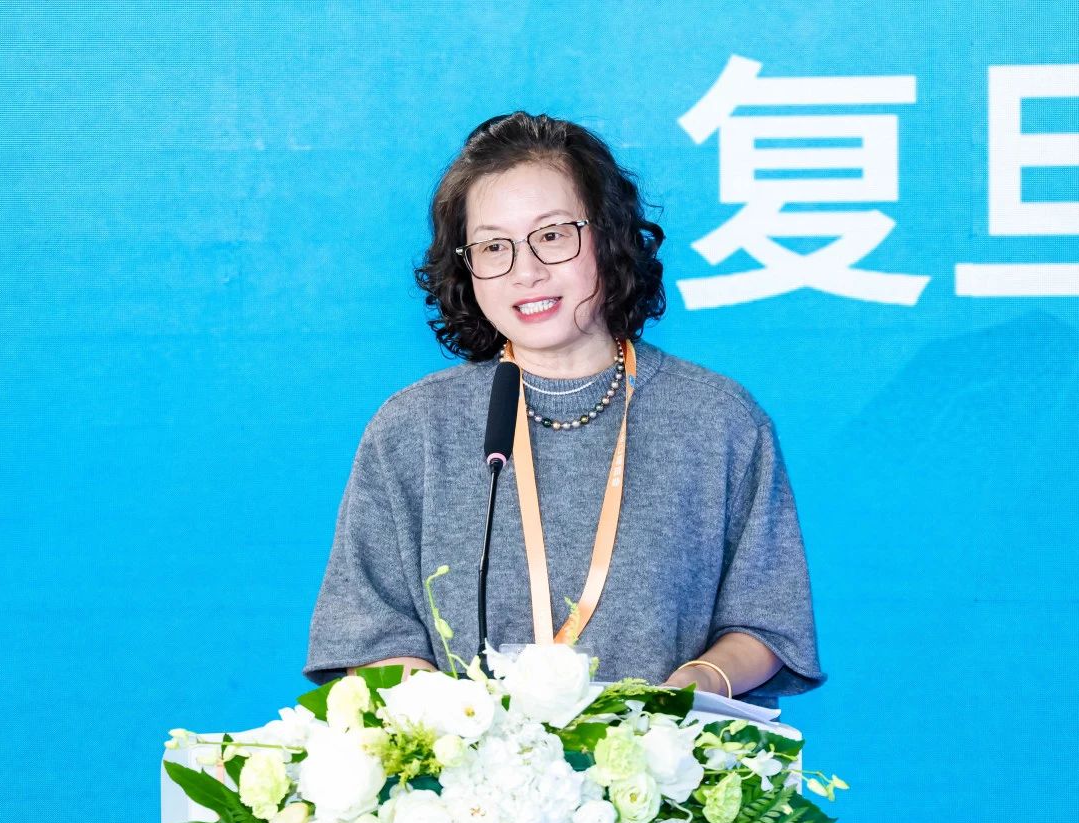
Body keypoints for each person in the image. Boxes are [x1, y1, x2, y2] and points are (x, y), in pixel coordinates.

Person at [305, 111, 824, 707]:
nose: (526, 271)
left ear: (608, 236)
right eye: (493, 246)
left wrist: (691, 690)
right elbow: (370, 633)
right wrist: (466, 728)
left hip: (666, 760)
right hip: (474, 766)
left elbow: (766, 623)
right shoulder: (414, 428)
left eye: (552, 235)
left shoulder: (719, 419)